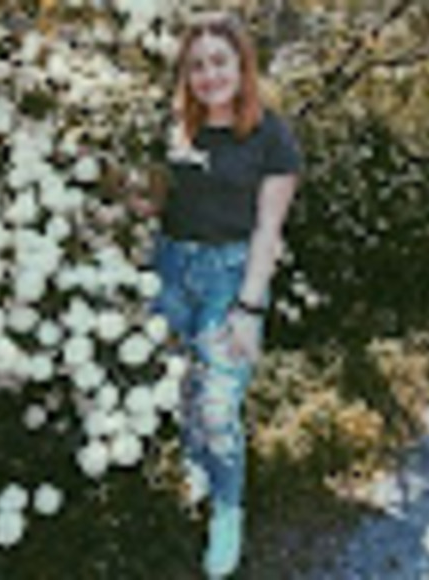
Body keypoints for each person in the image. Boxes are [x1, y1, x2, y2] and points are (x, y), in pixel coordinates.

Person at [130, 10, 302, 578]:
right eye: (197, 65)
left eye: (219, 62)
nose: (209, 75)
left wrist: (249, 308)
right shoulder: (175, 128)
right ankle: (197, 467)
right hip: (170, 268)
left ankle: (228, 509)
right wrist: (134, 199)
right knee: (183, 385)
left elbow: (268, 231)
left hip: (231, 277)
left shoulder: (271, 136)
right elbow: (160, 204)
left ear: (242, 65)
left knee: (219, 406)